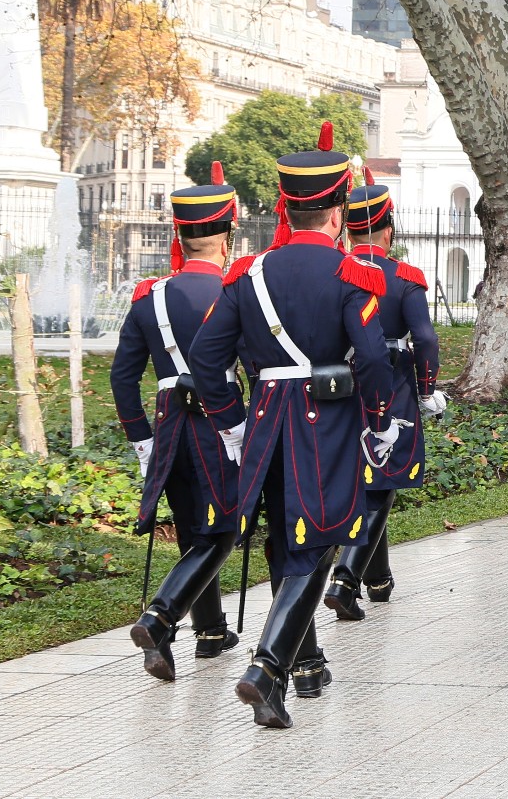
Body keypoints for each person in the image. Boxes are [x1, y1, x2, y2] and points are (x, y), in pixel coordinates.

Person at [184, 126, 397, 728]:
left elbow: (206, 358)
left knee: (284, 536)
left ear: (288, 206)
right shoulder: (354, 275)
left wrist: (230, 420)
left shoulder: (246, 275)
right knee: (323, 539)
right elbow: (375, 359)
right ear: (336, 212)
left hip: (265, 419)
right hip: (325, 420)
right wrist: (381, 419)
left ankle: (301, 668)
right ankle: (268, 664)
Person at [113, 164, 246, 682]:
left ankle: (210, 632)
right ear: (225, 236)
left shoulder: (149, 297)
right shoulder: (235, 293)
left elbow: (123, 379)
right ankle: (161, 615)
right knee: (223, 529)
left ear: (183, 235)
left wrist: (142, 439)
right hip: (218, 420)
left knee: (195, 525)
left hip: (168, 424)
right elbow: (253, 364)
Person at [325, 183, 441, 623]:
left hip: (339, 383)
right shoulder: (404, 276)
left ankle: (378, 578)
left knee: (363, 478)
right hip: (391, 382)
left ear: (349, 231)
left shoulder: (336, 270)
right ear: (388, 229)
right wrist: (427, 388)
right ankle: (346, 576)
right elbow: (426, 338)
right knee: (383, 481)